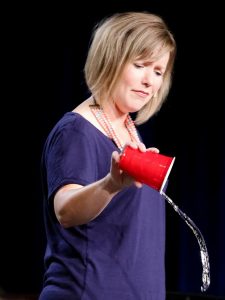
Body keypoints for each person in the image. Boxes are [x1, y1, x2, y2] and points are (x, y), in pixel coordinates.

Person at [39, 11, 176, 300]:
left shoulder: (128, 129)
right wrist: (110, 184)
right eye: (140, 65)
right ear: (110, 59)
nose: (150, 81)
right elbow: (64, 210)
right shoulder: (76, 131)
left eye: (158, 71)